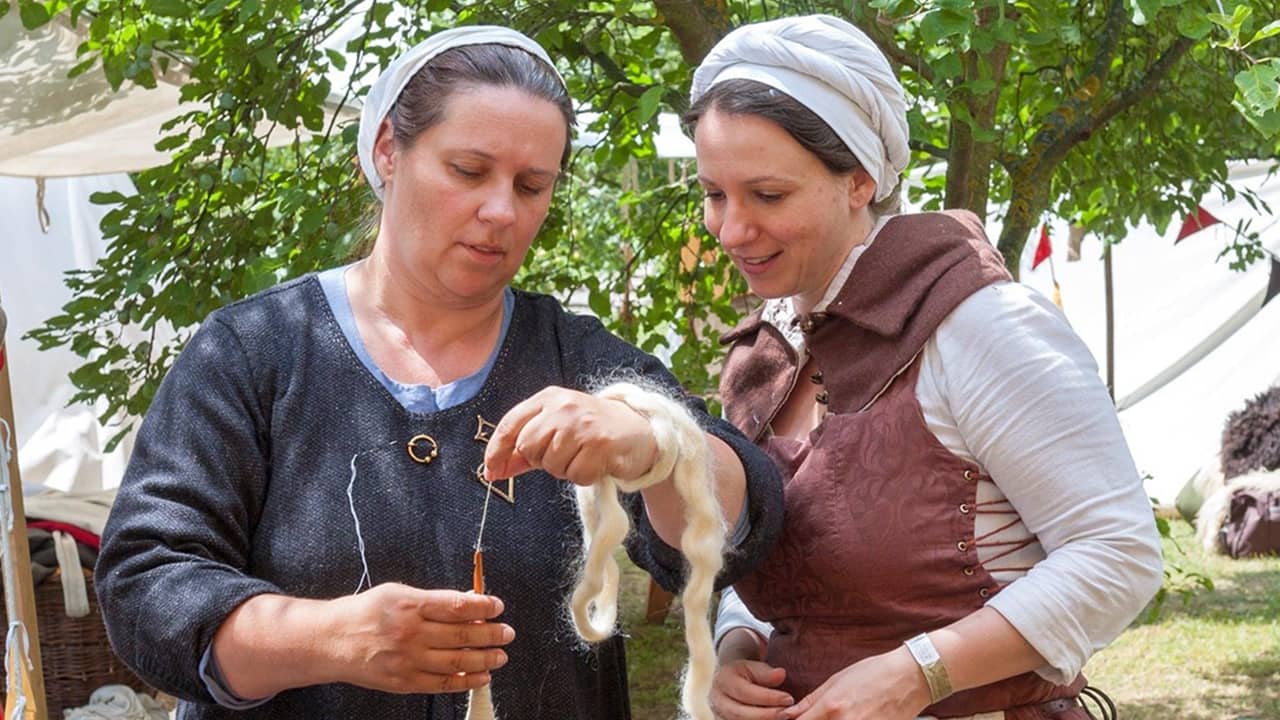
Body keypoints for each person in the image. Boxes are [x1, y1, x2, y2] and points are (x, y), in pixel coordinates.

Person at [94, 26, 783, 720]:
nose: (500, 211)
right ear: (390, 148)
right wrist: (326, 638)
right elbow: (147, 584)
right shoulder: (256, 351)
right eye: (468, 170)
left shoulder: (578, 361)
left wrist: (660, 446)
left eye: (531, 185)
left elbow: (743, 518)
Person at [683, 14, 1164, 720]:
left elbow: (1117, 554)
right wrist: (736, 648)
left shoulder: (980, 326)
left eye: (768, 195)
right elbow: (777, 552)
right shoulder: (767, 350)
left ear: (860, 180)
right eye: (715, 194)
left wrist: (920, 673)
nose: (730, 230)